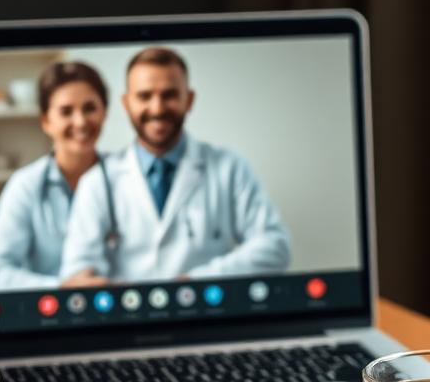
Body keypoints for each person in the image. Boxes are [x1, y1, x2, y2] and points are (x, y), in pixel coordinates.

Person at [59, 46, 290, 283]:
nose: (157, 108)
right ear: (127, 104)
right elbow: (76, 273)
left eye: (169, 95)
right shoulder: (97, 181)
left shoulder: (229, 168)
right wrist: (132, 298)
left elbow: (275, 247)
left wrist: (194, 281)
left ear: (189, 100)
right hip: (128, 316)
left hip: (208, 313)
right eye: (144, 96)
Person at [0, 61, 112, 290]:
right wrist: (62, 288)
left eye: (90, 108)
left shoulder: (126, 177)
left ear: (104, 112)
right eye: (66, 111)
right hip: (49, 317)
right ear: (46, 121)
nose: (80, 121)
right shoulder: (25, 186)